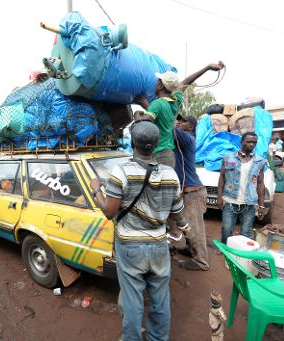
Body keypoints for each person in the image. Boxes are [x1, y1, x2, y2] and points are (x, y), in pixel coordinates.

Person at [90, 120, 184, 341]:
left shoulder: (120, 172)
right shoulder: (171, 174)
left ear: (132, 142)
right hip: (159, 246)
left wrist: (97, 190)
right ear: (157, 143)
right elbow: (176, 214)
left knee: (133, 301)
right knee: (161, 300)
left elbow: (108, 212)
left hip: (130, 247)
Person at [134, 62, 225, 169]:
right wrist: (207, 67)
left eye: (157, 82)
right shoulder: (175, 100)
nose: (154, 84)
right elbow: (185, 82)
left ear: (161, 85)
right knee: (167, 185)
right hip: (168, 155)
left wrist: (137, 116)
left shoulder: (157, 104)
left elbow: (143, 128)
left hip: (155, 155)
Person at [173, 115, 210, 271]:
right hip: (187, 192)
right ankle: (189, 249)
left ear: (192, 127)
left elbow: (169, 127)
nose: (180, 123)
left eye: (183, 122)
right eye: (179, 120)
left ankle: (201, 261)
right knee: (187, 224)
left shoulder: (187, 138)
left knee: (195, 228)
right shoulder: (181, 140)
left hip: (193, 194)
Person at [218, 132, 266, 244]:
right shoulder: (228, 158)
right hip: (230, 201)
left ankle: (241, 252)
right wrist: (219, 197)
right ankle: (225, 249)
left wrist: (261, 205)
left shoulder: (259, 161)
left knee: (245, 232)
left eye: (254, 142)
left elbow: (260, 184)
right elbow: (222, 178)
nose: (251, 144)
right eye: (248, 141)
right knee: (226, 229)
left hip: (249, 203)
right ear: (241, 142)